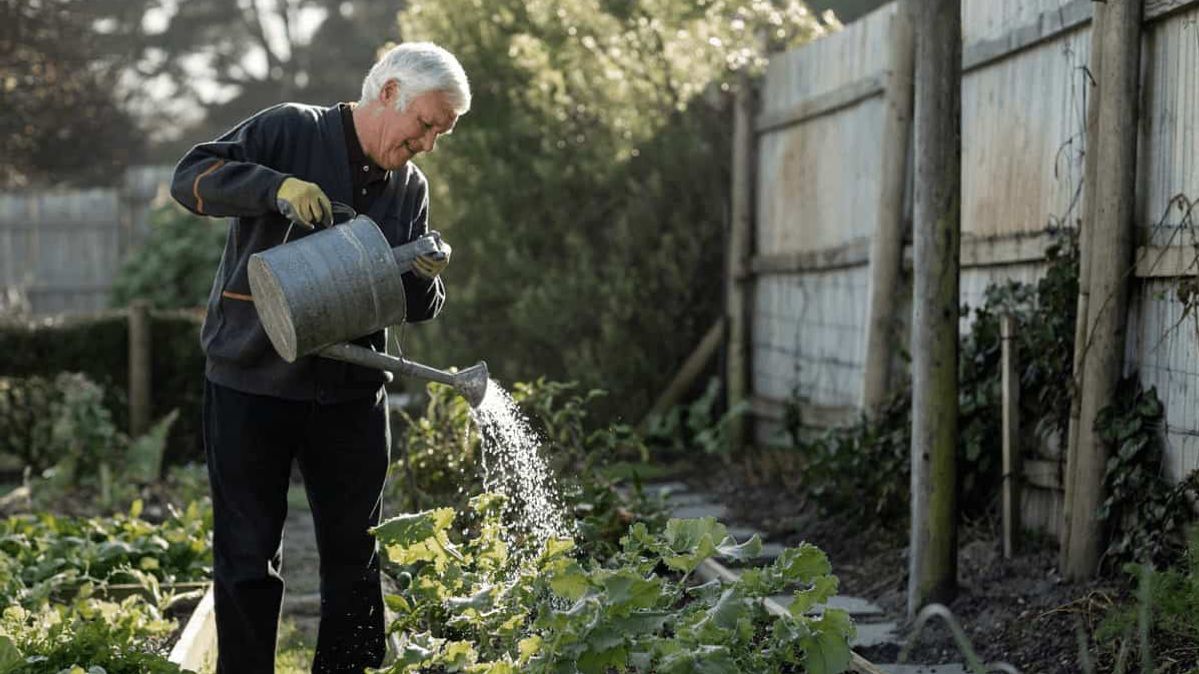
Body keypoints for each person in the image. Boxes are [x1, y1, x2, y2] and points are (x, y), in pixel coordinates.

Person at [169, 42, 469, 672]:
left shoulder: (409, 187)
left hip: (350, 393)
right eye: (424, 125)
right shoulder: (290, 131)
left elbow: (415, 306)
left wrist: (426, 274)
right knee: (247, 554)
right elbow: (190, 177)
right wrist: (275, 187)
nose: (427, 144)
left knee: (356, 553)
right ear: (389, 93)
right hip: (250, 377)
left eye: (440, 134)